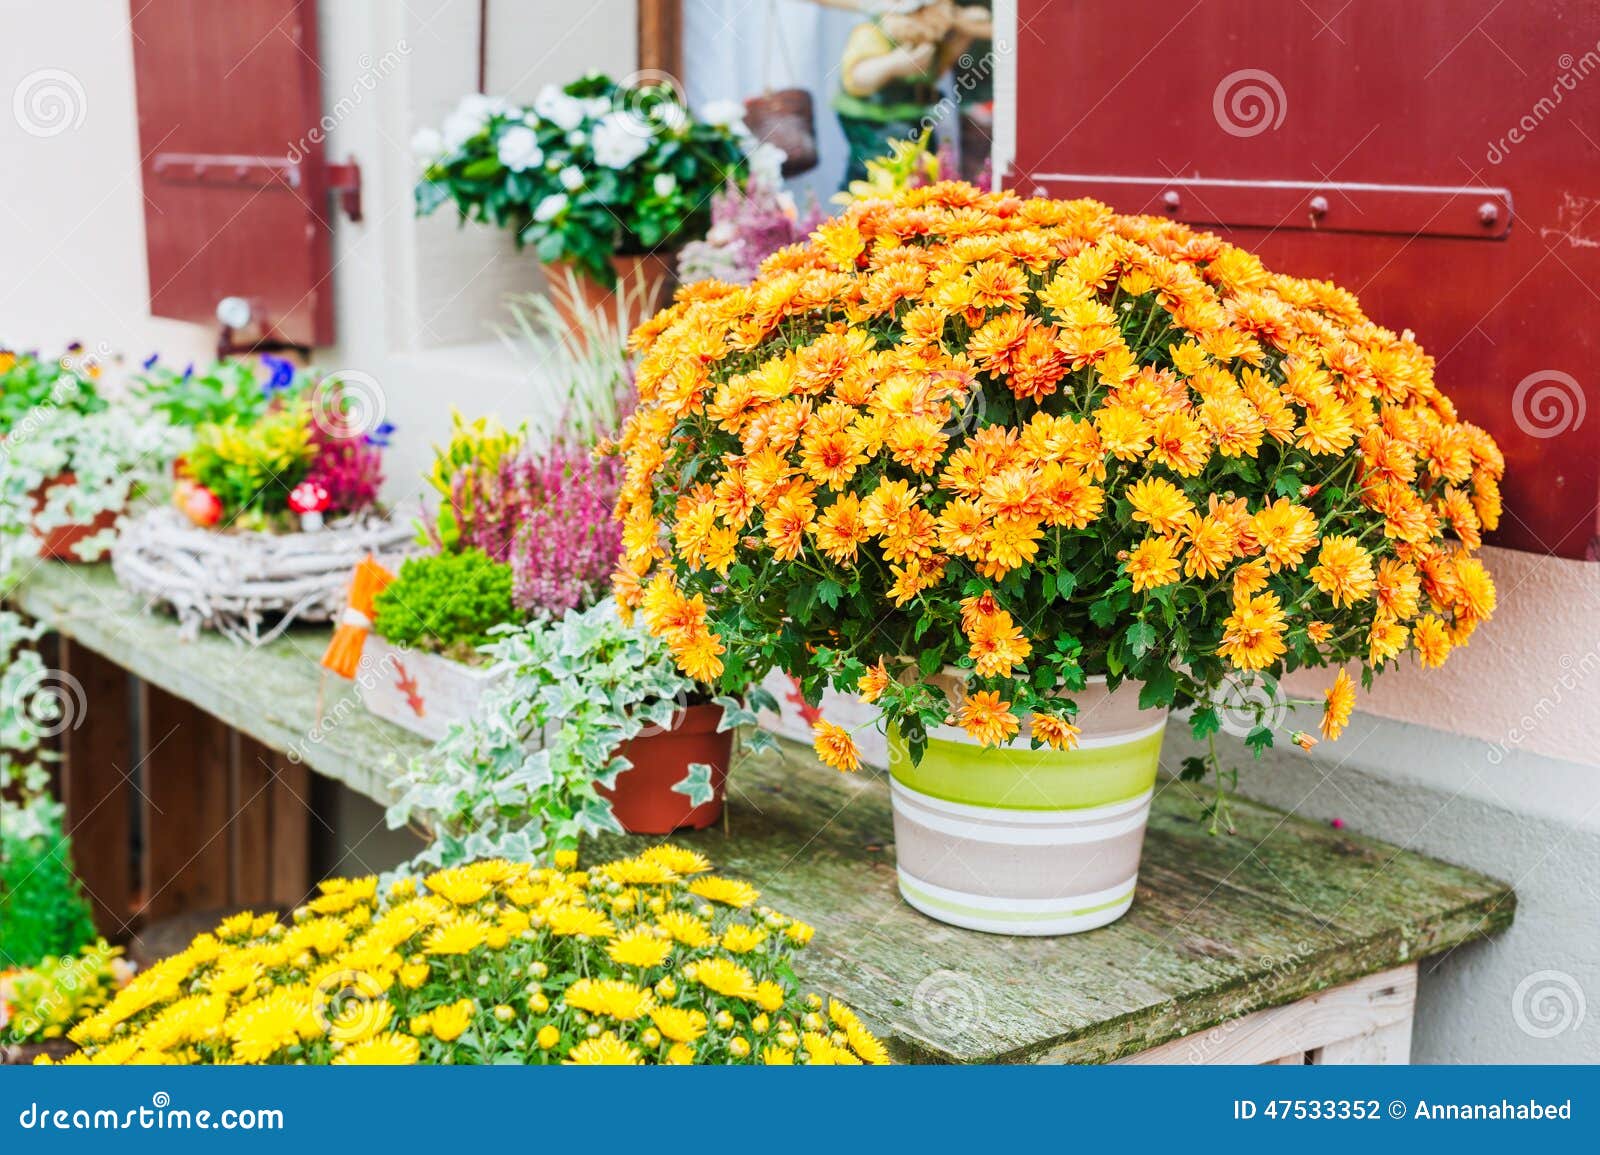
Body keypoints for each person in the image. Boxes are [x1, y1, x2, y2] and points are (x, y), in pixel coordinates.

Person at [827, 0, 993, 187]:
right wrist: (893, 65)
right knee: (872, 179)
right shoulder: (877, 31)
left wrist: (962, 36)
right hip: (876, 127)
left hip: (918, 124)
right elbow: (857, 78)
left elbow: (935, 70)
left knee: (921, 177)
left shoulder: (930, 36)